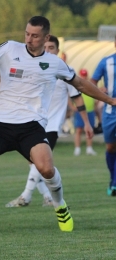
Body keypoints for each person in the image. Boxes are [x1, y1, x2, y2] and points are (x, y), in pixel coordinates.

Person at [0, 16, 116, 233]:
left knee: (47, 169)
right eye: (27, 34)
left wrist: (112, 100)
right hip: (0, 124)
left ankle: (60, 206)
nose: (29, 39)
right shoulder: (10, 49)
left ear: (46, 37)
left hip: (31, 127)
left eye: (35, 35)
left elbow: (81, 85)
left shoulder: (55, 63)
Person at [5, 35, 93, 208]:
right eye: (46, 47)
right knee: (34, 162)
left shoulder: (63, 69)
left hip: (52, 124)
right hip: (32, 122)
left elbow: (77, 97)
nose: (48, 50)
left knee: (40, 163)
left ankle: (25, 197)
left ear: (58, 51)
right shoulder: (35, 67)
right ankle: (47, 197)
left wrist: (87, 123)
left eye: (51, 47)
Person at [91, 35, 116, 196]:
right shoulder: (106, 62)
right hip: (110, 112)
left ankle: (115, 183)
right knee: (111, 147)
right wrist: (101, 91)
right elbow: (92, 83)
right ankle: (113, 179)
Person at [73, 69, 97, 156]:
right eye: (82, 75)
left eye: (85, 75)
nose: (84, 77)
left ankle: (89, 148)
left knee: (90, 130)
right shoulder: (76, 84)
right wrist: (73, 107)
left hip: (90, 110)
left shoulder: (90, 85)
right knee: (79, 130)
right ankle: (77, 149)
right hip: (80, 110)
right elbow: (69, 97)